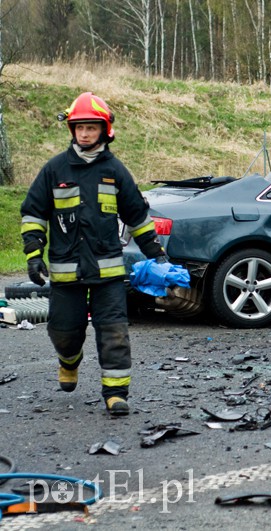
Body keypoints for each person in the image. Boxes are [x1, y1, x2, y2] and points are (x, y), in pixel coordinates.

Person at [20, 92, 166, 416]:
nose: (85, 133)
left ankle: (115, 393)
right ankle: (69, 360)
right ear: (72, 129)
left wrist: (156, 255)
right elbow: (32, 213)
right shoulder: (54, 170)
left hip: (108, 274)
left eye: (91, 127)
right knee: (64, 330)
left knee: (114, 332)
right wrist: (33, 254)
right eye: (79, 127)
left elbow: (137, 216)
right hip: (66, 273)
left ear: (104, 130)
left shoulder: (115, 171)